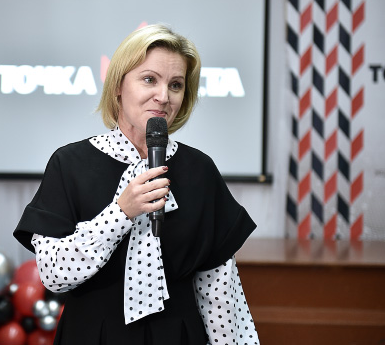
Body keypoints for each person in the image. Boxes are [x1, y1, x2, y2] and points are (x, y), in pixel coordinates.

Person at [14, 24, 259, 345]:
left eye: (175, 85)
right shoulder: (70, 164)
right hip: (92, 334)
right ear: (118, 85)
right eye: (149, 79)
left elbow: (219, 289)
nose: (163, 96)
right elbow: (54, 275)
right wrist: (120, 213)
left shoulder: (200, 170)